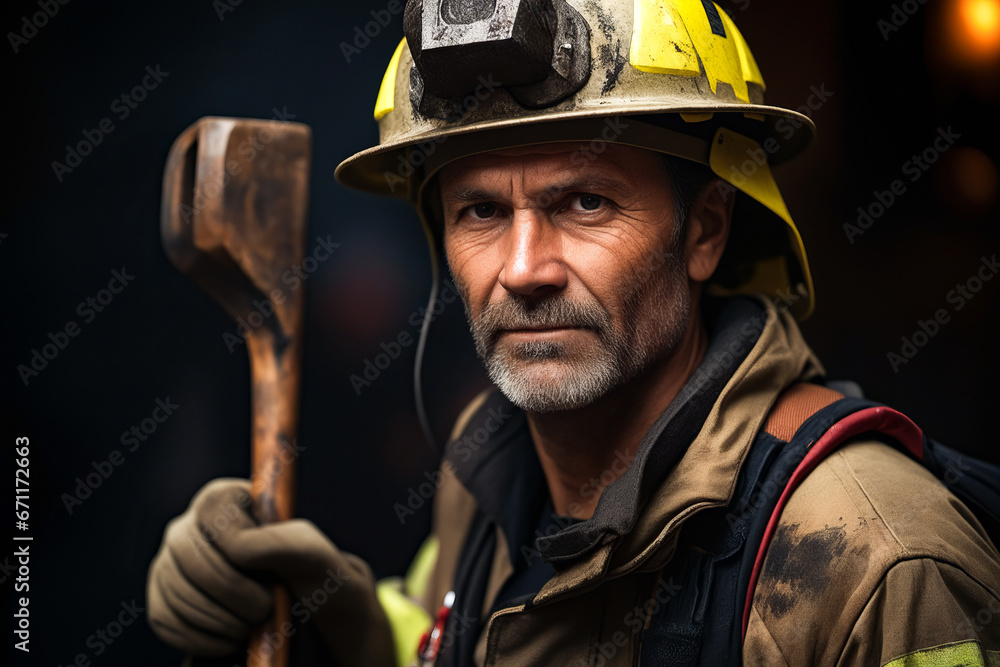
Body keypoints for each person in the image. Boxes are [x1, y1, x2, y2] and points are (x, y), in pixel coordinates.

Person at [146, 1, 1000, 665]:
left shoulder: (878, 563)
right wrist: (342, 625)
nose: (524, 268)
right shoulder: (485, 481)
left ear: (704, 230)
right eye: (481, 210)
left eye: (584, 202)